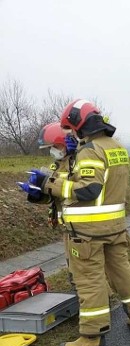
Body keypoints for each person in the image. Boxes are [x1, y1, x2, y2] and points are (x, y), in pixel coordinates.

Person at [24, 99, 130, 346]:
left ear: (80, 125)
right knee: (121, 272)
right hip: (114, 226)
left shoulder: (90, 151)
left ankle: (92, 335)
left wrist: (49, 184)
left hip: (88, 232)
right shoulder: (116, 147)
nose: (70, 135)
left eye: (70, 129)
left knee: (89, 282)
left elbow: (89, 189)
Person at [19, 122, 78, 290]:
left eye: (55, 146)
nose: (52, 150)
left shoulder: (79, 162)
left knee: (85, 269)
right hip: (67, 225)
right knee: (73, 268)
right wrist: (36, 194)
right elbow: (52, 195)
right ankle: (82, 298)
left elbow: (78, 189)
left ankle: (98, 300)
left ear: (66, 143)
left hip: (81, 224)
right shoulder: (56, 165)